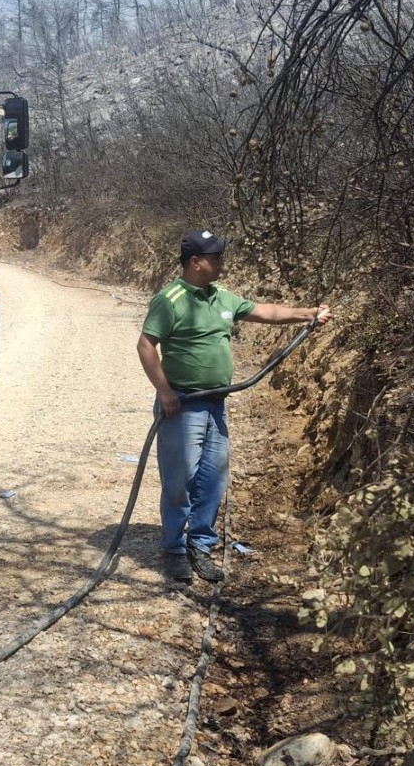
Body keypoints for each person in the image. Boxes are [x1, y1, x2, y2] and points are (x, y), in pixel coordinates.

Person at [137, 229, 332, 583]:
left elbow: (266, 312)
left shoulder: (222, 296)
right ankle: (174, 550)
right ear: (195, 262)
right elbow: (146, 346)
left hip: (216, 405)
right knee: (180, 480)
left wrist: (309, 314)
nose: (221, 262)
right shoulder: (170, 300)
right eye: (215, 257)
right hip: (183, 405)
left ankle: (200, 544)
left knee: (213, 478)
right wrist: (165, 392)